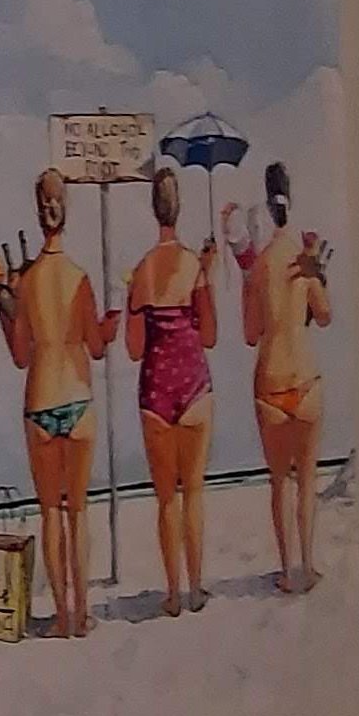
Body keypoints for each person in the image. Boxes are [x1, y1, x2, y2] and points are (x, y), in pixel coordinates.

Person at [2, 167, 117, 637]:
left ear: (38, 212)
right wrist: (108, 325)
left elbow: (19, 354)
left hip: (41, 402)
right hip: (78, 398)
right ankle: (84, 610)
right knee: (78, 511)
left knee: (50, 511)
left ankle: (63, 615)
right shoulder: (80, 277)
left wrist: (7, 306)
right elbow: (96, 346)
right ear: (64, 214)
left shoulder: (28, 281)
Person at [227, 160, 331, 595]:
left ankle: (286, 570)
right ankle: (308, 564)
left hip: (269, 384)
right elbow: (325, 316)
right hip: (304, 379)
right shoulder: (301, 261)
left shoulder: (260, 268)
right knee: (307, 480)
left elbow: (251, 334)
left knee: (277, 483)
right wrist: (317, 277)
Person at [125, 160, 217, 617]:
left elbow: (133, 347)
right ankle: (198, 585)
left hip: (155, 388)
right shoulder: (193, 266)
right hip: (194, 384)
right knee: (194, 492)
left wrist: (135, 309)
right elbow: (210, 335)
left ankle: (174, 592)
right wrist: (209, 277)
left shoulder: (141, 270)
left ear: (152, 210)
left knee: (166, 499)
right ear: (179, 210)